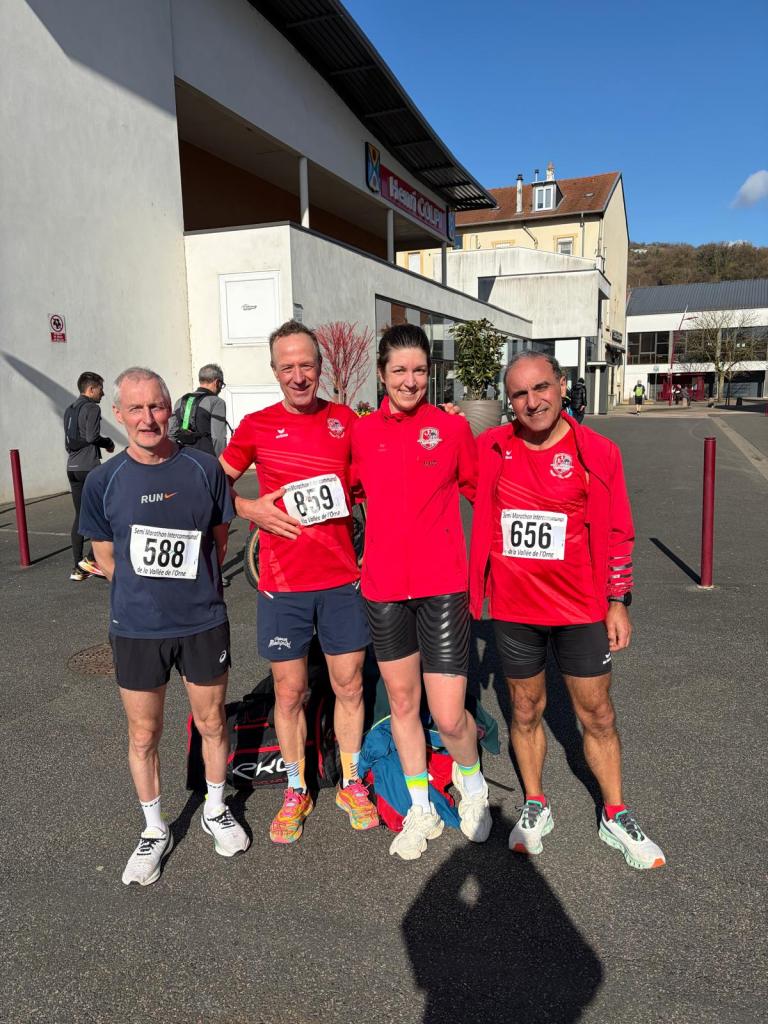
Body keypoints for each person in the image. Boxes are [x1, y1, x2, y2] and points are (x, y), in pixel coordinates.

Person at [469, 352, 665, 870]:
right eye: (519, 394)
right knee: (525, 710)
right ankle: (536, 802)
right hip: (514, 609)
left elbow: (619, 530)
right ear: (508, 401)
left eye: (541, 388)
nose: (532, 402)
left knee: (597, 714)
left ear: (560, 385)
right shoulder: (491, 447)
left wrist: (618, 600)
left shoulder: (597, 451)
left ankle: (616, 812)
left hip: (580, 609)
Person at [79, 367, 249, 886]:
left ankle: (215, 807)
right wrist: (147, 594)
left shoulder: (203, 469)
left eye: (156, 406)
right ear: (118, 414)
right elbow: (107, 558)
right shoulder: (104, 481)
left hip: (201, 621)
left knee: (212, 721)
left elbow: (218, 540)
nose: (148, 418)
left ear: (170, 409)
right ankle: (154, 829)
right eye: (136, 408)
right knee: (143, 732)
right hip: (137, 628)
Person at [219, 320, 378, 844]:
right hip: (283, 584)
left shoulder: (345, 422)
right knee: (290, 693)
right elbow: (212, 482)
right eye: (287, 366)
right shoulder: (257, 425)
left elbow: (379, 476)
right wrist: (248, 508)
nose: (298, 375)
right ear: (274, 371)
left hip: (340, 580)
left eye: (306, 364)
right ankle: (295, 788)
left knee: (349, 685)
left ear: (320, 366)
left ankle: (350, 783)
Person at [351, 323, 492, 861]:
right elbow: (343, 492)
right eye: (398, 371)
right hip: (384, 589)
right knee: (404, 704)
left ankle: (473, 787)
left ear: (430, 372)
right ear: (381, 374)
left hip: (442, 587)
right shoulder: (363, 433)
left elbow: (483, 493)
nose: (409, 381)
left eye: (418, 370)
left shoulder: (451, 429)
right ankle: (419, 807)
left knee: (450, 715)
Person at [64, 371, 115, 581]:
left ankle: (78, 568)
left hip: (72, 467)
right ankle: (92, 559)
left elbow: (69, 442)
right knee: (106, 511)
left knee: (80, 516)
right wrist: (108, 442)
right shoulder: (92, 408)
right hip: (89, 468)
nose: (103, 393)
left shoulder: (70, 409)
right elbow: (92, 437)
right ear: (91, 389)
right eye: (100, 389)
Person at [169, 363, 228, 456]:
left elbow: (171, 433)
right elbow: (218, 438)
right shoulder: (216, 402)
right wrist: (220, 461)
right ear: (217, 382)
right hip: (206, 459)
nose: (221, 389)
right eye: (222, 384)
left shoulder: (180, 401)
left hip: (183, 457)